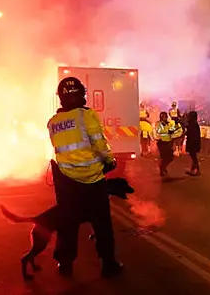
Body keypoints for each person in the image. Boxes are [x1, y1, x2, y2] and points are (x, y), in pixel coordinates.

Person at [47, 77, 123, 278]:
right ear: (81, 94)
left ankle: (65, 264)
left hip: (66, 183)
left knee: (67, 225)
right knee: (102, 225)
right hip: (92, 181)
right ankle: (108, 264)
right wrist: (109, 161)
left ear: (61, 98)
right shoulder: (86, 116)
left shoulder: (53, 122)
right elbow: (99, 144)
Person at [155, 111, 181, 176]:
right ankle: (162, 169)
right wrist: (168, 130)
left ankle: (163, 167)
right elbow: (159, 131)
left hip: (169, 142)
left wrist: (177, 125)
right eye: (162, 117)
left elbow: (175, 129)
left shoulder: (169, 123)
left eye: (165, 116)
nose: (164, 118)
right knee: (164, 157)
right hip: (162, 143)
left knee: (170, 157)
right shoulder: (158, 123)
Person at [185, 110, 202, 176]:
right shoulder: (194, 124)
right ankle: (192, 170)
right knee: (193, 156)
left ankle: (197, 170)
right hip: (194, 143)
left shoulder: (192, 124)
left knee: (193, 157)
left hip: (192, 143)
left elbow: (190, 133)